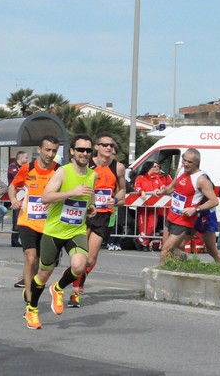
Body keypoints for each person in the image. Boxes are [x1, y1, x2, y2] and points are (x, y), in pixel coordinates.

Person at [23, 133, 96, 329]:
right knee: (43, 274)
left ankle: (59, 288)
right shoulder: (62, 172)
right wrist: (71, 192)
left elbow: (89, 198)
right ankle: (32, 309)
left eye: (88, 150)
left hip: (76, 230)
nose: (84, 153)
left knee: (81, 265)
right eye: (80, 149)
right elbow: (46, 197)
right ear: (72, 151)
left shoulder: (92, 174)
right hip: (54, 231)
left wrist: (91, 207)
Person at [70, 132, 126, 307]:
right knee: (80, 255)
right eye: (105, 145)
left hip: (103, 215)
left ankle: (77, 282)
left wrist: (115, 199)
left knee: (90, 259)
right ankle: (75, 291)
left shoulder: (118, 167)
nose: (109, 148)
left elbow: (123, 190)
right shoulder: (87, 164)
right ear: (96, 148)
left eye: (111, 145)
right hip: (85, 212)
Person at [8, 136, 60, 305]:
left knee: (42, 263)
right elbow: (12, 186)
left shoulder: (59, 171)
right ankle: (31, 302)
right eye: (47, 150)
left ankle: (30, 285)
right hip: (28, 221)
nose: (50, 154)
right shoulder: (27, 168)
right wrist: (13, 199)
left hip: (49, 224)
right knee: (30, 258)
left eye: (54, 151)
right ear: (39, 150)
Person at [154, 148, 220, 264]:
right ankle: (186, 267)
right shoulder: (181, 171)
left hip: (204, 215)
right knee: (177, 246)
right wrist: (162, 191)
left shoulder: (201, 179)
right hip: (184, 216)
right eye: (184, 160)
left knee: (211, 249)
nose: (186, 164)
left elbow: (214, 201)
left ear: (197, 163)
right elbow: (172, 187)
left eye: (189, 162)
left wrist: (195, 209)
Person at [133, 161, 172, 252]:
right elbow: (137, 187)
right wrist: (141, 192)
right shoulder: (140, 178)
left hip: (154, 209)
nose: (157, 168)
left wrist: (160, 190)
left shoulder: (157, 178)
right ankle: (144, 245)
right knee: (143, 227)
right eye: (154, 167)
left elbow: (163, 188)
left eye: (158, 166)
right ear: (148, 168)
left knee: (152, 225)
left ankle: (139, 240)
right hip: (143, 208)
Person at [8, 151, 29, 248]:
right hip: (15, 196)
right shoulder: (13, 166)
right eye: (26, 157)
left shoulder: (24, 168)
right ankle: (14, 240)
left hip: (24, 197)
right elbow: (17, 178)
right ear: (21, 158)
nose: (27, 159)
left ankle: (21, 239)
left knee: (22, 218)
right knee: (16, 219)